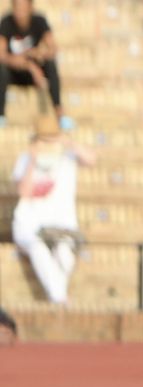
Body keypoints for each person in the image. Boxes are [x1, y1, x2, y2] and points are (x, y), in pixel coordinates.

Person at [10, 113, 89, 305]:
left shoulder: (68, 156)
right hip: (31, 224)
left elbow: (91, 159)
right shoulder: (25, 159)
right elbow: (24, 191)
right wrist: (33, 158)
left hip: (62, 225)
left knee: (65, 255)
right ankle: (60, 299)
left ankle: (58, 297)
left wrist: (67, 143)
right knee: (38, 249)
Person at [0, 0, 64, 127]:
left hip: (35, 74)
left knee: (51, 65)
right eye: (17, 7)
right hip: (15, 72)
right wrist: (28, 65)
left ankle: (59, 113)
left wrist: (38, 53)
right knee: (1, 70)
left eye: (23, 7)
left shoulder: (39, 21)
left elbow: (53, 48)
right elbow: (1, 55)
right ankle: (1, 116)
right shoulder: (6, 22)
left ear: (30, 8)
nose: (20, 12)